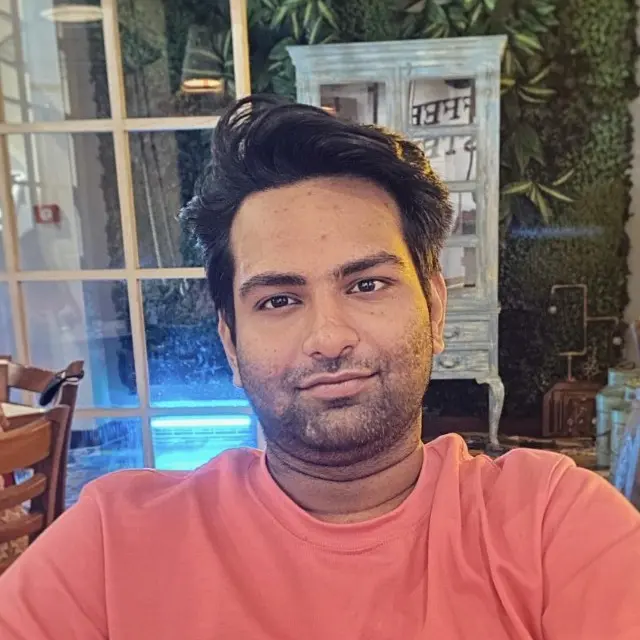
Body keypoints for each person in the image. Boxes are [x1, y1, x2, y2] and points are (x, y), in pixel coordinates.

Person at [0, 95, 639, 639]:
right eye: (279, 300)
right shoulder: (112, 547)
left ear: (435, 306)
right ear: (230, 343)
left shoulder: (554, 528)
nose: (328, 337)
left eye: (367, 285)